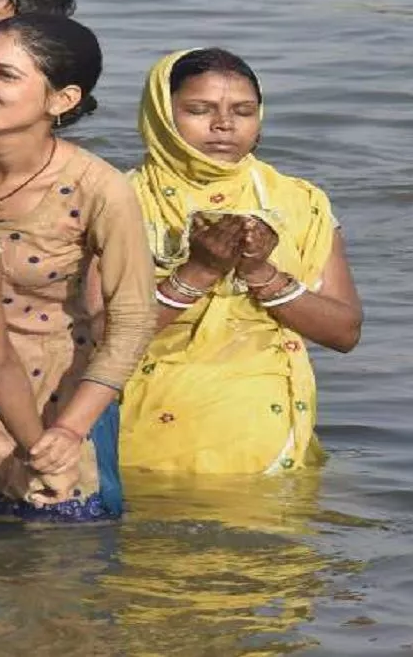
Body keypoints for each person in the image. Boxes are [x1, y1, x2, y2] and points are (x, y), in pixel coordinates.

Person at [0, 14, 155, 525]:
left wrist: (69, 429)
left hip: (44, 393)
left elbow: (132, 320)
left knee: (58, 550)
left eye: (4, 74)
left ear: (61, 100)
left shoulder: (100, 190)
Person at [117, 48, 362, 475]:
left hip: (270, 441)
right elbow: (95, 336)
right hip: (149, 440)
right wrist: (198, 272)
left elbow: (344, 332)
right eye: (199, 110)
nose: (224, 125)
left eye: (243, 112)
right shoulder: (115, 201)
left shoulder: (300, 202)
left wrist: (260, 274)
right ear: (161, 115)